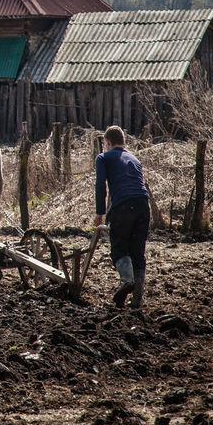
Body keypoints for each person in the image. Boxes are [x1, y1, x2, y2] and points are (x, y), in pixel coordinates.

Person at [93, 126, 151, 308]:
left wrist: (100, 212)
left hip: (123, 206)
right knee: (137, 252)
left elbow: (101, 185)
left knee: (119, 249)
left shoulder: (103, 157)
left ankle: (127, 281)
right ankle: (137, 299)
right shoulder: (135, 159)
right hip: (143, 205)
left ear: (107, 143)